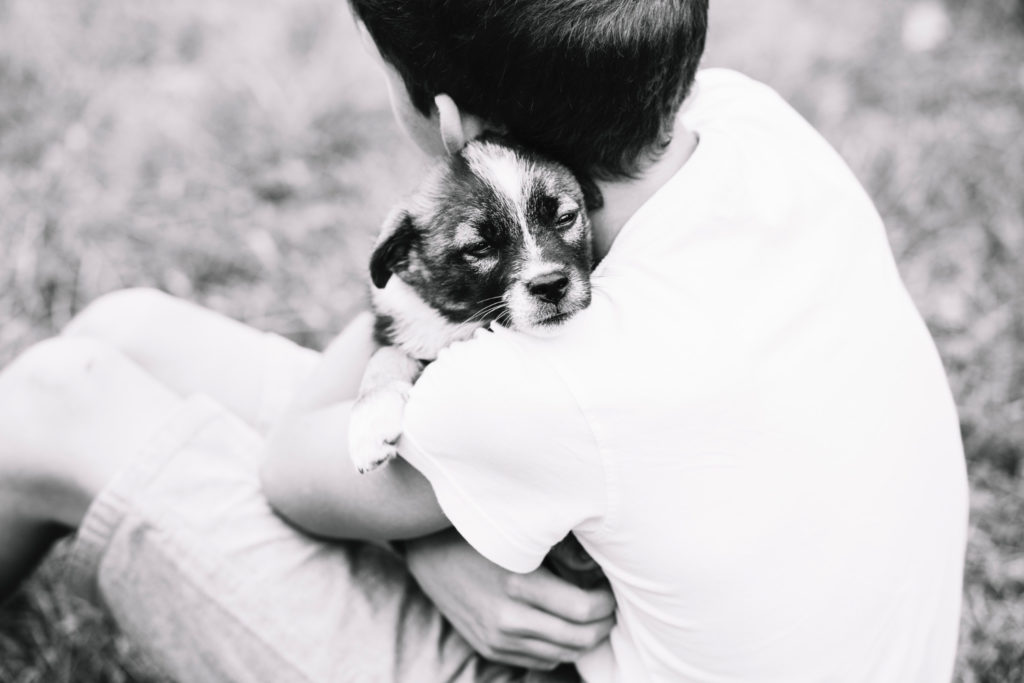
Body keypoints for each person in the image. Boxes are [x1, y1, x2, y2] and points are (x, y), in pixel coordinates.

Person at [0, 1, 968, 682]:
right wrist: (433, 537)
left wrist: (405, 269)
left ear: (451, 121)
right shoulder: (750, 119)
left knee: (59, 394)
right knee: (125, 330)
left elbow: (294, 469)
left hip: (557, 656)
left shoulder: (543, 378)